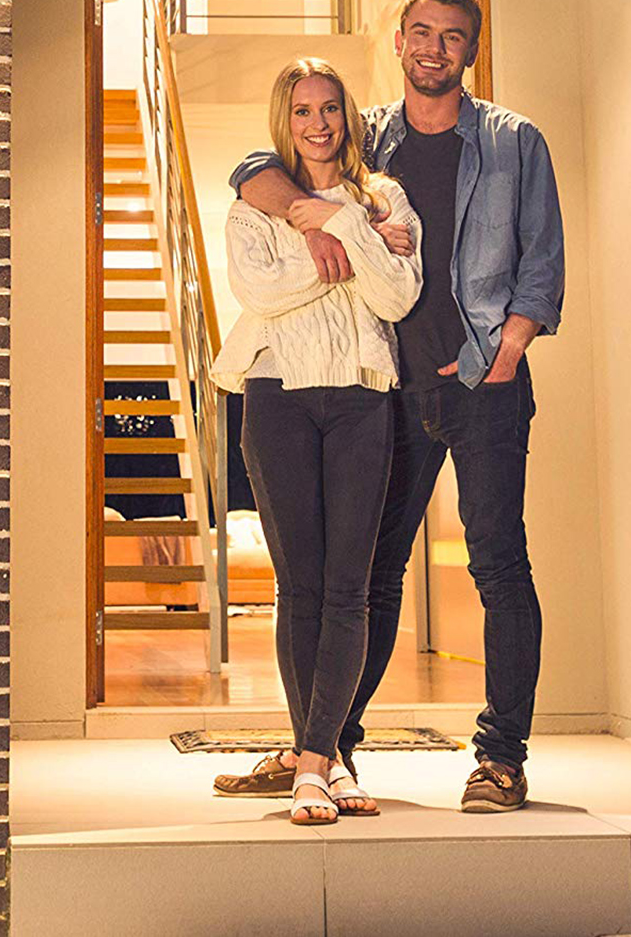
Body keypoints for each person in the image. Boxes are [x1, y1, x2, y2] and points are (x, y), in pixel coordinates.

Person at [221, 0, 564, 814]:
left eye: (452, 36)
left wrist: (509, 350)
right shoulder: (368, 134)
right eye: (421, 32)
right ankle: (326, 747)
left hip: (483, 383)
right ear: (401, 41)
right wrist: (316, 214)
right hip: (390, 390)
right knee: (369, 575)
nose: (433, 48)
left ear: (470, 50)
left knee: (498, 565)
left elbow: (542, 259)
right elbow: (254, 168)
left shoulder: (513, 140)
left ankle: (501, 757)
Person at [210, 57, 423, 826]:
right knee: (300, 587)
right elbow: (259, 292)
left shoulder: (384, 197)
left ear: (347, 115)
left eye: (329, 108)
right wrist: (350, 246)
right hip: (278, 396)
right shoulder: (253, 204)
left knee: (348, 589)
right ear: (285, 119)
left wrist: (340, 224)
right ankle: (321, 763)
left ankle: (317, 759)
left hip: (364, 396)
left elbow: (397, 296)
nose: (318, 124)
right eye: (302, 111)